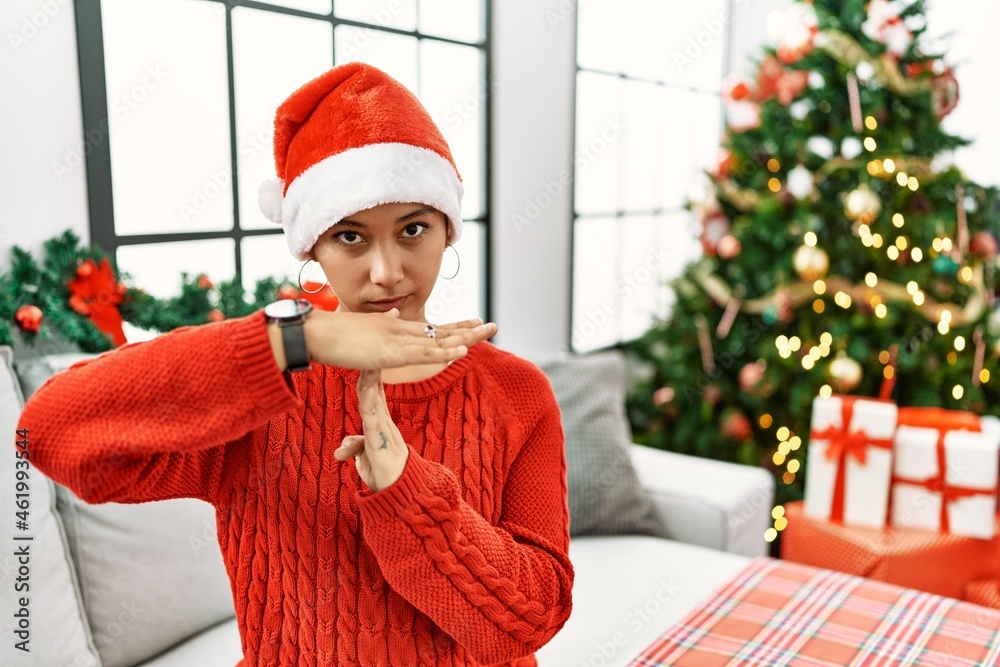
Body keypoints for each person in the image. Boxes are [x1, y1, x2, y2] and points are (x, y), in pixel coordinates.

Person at [17, 62, 573, 666]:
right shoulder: (260, 388)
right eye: (351, 237)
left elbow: (528, 621)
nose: (386, 272)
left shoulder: (516, 392)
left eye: (413, 229)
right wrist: (287, 340)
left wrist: (406, 493)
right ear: (312, 246)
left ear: (448, 230)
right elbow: (47, 431)